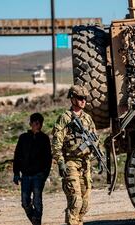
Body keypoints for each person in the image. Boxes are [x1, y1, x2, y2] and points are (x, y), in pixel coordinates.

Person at [51, 85, 97, 225]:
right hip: (71, 162)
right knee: (75, 201)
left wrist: (98, 155)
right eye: (80, 98)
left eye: (85, 98)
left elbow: (95, 138)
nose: (83, 101)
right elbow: (56, 143)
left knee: (85, 203)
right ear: (72, 99)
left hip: (85, 163)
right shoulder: (65, 118)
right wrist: (60, 162)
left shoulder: (87, 118)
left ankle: (78, 222)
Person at [13, 112, 52, 225]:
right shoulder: (23, 138)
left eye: (39, 123)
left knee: (37, 201)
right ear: (30, 123)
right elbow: (17, 156)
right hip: (25, 175)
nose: (37, 125)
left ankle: (37, 222)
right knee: (25, 202)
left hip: (38, 176)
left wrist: (45, 174)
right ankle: (34, 220)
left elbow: (48, 159)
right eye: (35, 122)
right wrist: (16, 173)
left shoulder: (44, 139)